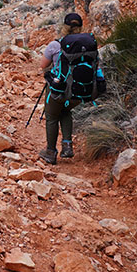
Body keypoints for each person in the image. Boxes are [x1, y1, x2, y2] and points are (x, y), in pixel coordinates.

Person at [38, 12, 99, 165]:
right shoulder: (87, 45)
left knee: (51, 117)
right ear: (80, 27)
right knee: (66, 111)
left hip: (60, 90)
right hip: (80, 91)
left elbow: (43, 65)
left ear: (65, 27)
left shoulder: (56, 45)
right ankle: (67, 146)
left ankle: (50, 152)